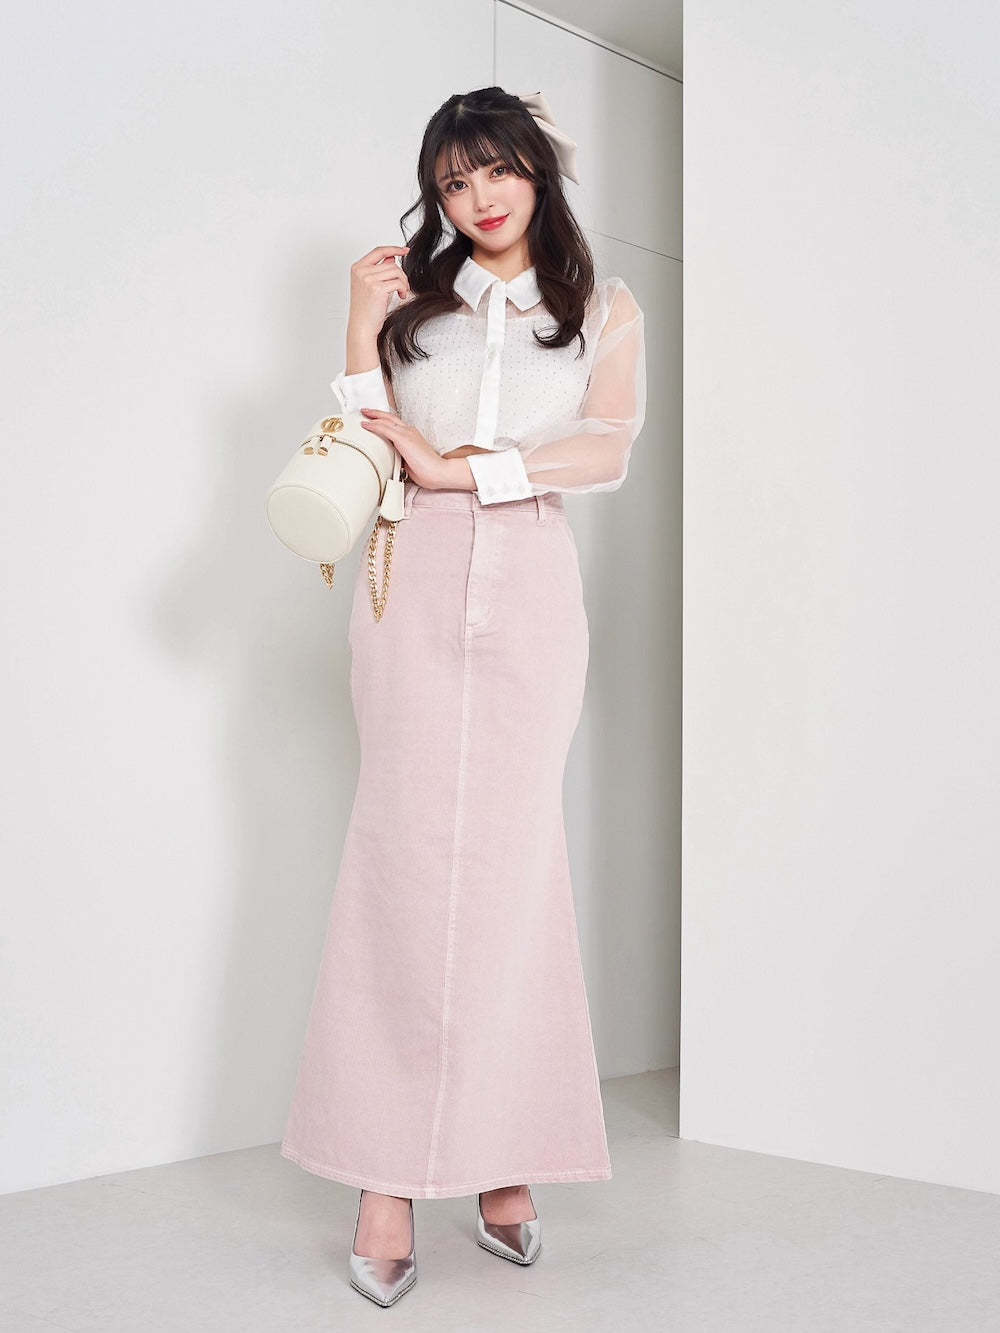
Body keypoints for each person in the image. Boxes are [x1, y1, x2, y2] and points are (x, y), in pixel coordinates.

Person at [279, 86, 646, 1308]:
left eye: (497, 170)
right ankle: (384, 1179)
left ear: (538, 171)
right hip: (409, 575)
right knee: (400, 860)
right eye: (452, 181)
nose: (478, 197)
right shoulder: (414, 303)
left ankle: (503, 1154)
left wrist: (470, 470)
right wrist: (357, 324)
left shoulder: (601, 306)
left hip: (532, 579)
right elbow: (366, 438)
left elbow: (607, 445)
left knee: (512, 866)